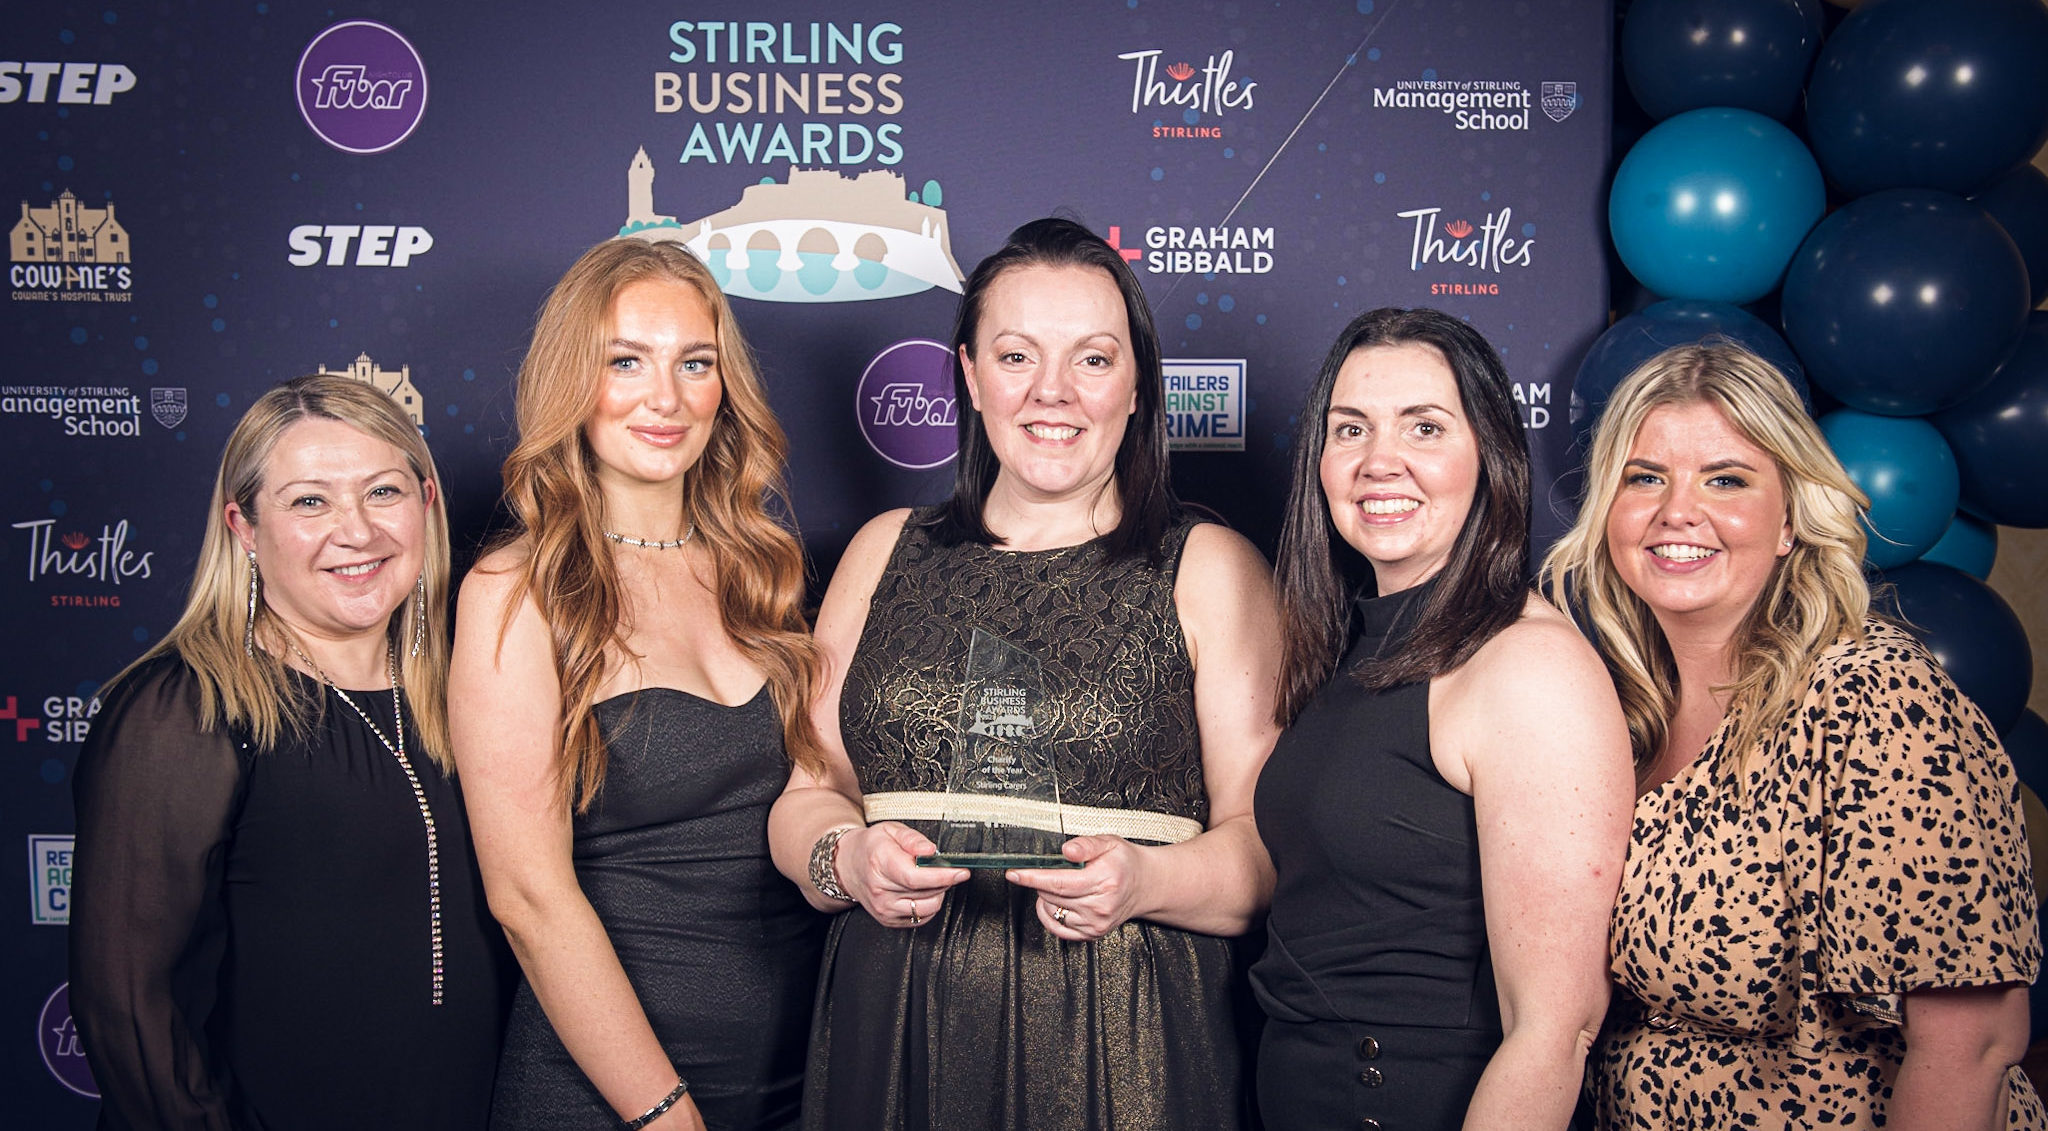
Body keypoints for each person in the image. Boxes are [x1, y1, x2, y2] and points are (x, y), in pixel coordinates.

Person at [767, 217, 1283, 1131]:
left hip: (1123, 1037)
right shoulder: (882, 552)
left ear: (1136, 386)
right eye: (1016, 356)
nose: (1054, 392)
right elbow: (809, 792)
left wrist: (1144, 884)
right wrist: (844, 858)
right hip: (894, 1023)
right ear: (968, 375)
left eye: (1092, 359)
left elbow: (1261, 854)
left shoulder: (1209, 566)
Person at [1540, 343, 2042, 1130]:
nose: (1678, 510)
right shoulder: (1621, 716)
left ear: (1789, 520)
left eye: (1727, 478)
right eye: (1645, 477)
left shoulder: (1873, 699)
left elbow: (1970, 1043)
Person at [69, 374, 511, 1130]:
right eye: (310, 500)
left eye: (383, 492)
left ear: (428, 503)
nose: (358, 531)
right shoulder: (184, 709)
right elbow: (129, 1008)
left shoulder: (471, 687)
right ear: (243, 526)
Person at [451, 237, 825, 1131]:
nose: (666, 398)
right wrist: (664, 1114)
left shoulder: (761, 571)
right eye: (627, 361)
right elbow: (528, 898)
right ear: (573, 382)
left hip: (795, 1079)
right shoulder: (517, 590)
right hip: (612, 1098)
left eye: (695, 363)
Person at [1253, 307, 1634, 1131]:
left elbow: (1555, 1028)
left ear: (1490, 456)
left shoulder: (1528, 666)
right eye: (1350, 429)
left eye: (1424, 427)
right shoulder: (1354, 647)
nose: (1378, 461)